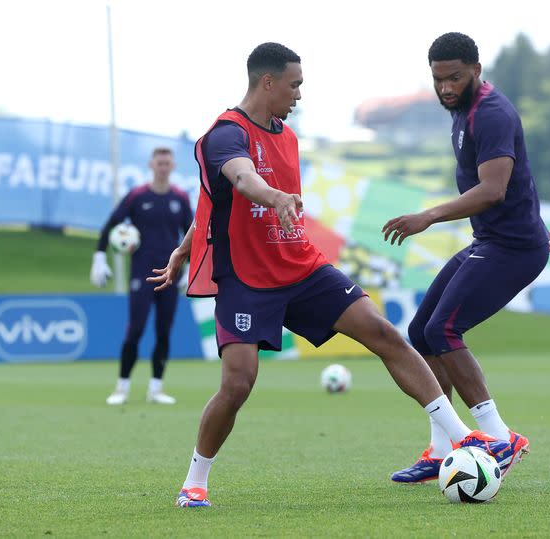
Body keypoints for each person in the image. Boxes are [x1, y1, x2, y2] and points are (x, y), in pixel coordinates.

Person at [148, 42, 515, 508]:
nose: (299, 95)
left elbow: (213, 206)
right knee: (238, 384)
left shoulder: (287, 136)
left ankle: (462, 437)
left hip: (301, 266)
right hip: (246, 278)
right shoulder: (225, 134)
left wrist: (186, 247)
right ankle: (195, 481)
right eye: (294, 85)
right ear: (267, 82)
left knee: (385, 333)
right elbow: (238, 182)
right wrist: (270, 199)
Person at [381, 32, 550, 484]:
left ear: (476, 71)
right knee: (421, 331)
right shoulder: (462, 108)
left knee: (444, 329)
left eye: (455, 78)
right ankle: (442, 448)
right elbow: (519, 178)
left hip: (511, 249)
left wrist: (428, 215)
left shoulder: (493, 113)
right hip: (497, 240)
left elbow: (494, 188)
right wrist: (533, 223)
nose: (446, 87)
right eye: (438, 79)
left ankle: (501, 438)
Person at [90, 147, 193, 405]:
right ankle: (121, 388)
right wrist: (99, 257)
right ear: (151, 165)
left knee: (164, 332)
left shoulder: (180, 198)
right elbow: (110, 225)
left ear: (173, 166)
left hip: (169, 275)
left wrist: (190, 268)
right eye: (159, 163)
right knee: (135, 330)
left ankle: (156, 389)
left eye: (167, 163)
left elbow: (194, 234)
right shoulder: (137, 196)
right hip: (141, 275)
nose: (163, 167)